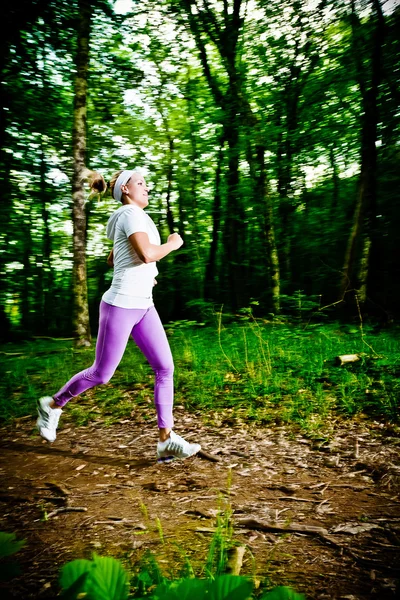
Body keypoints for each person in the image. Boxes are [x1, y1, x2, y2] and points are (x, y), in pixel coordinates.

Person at [36, 169, 201, 462]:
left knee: (165, 368)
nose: (146, 187)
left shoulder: (137, 217)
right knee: (102, 373)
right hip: (121, 304)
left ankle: (166, 440)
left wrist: (147, 274)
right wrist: (173, 244)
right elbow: (148, 254)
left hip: (144, 304)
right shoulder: (128, 214)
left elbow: (117, 257)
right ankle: (52, 404)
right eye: (140, 183)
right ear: (126, 188)